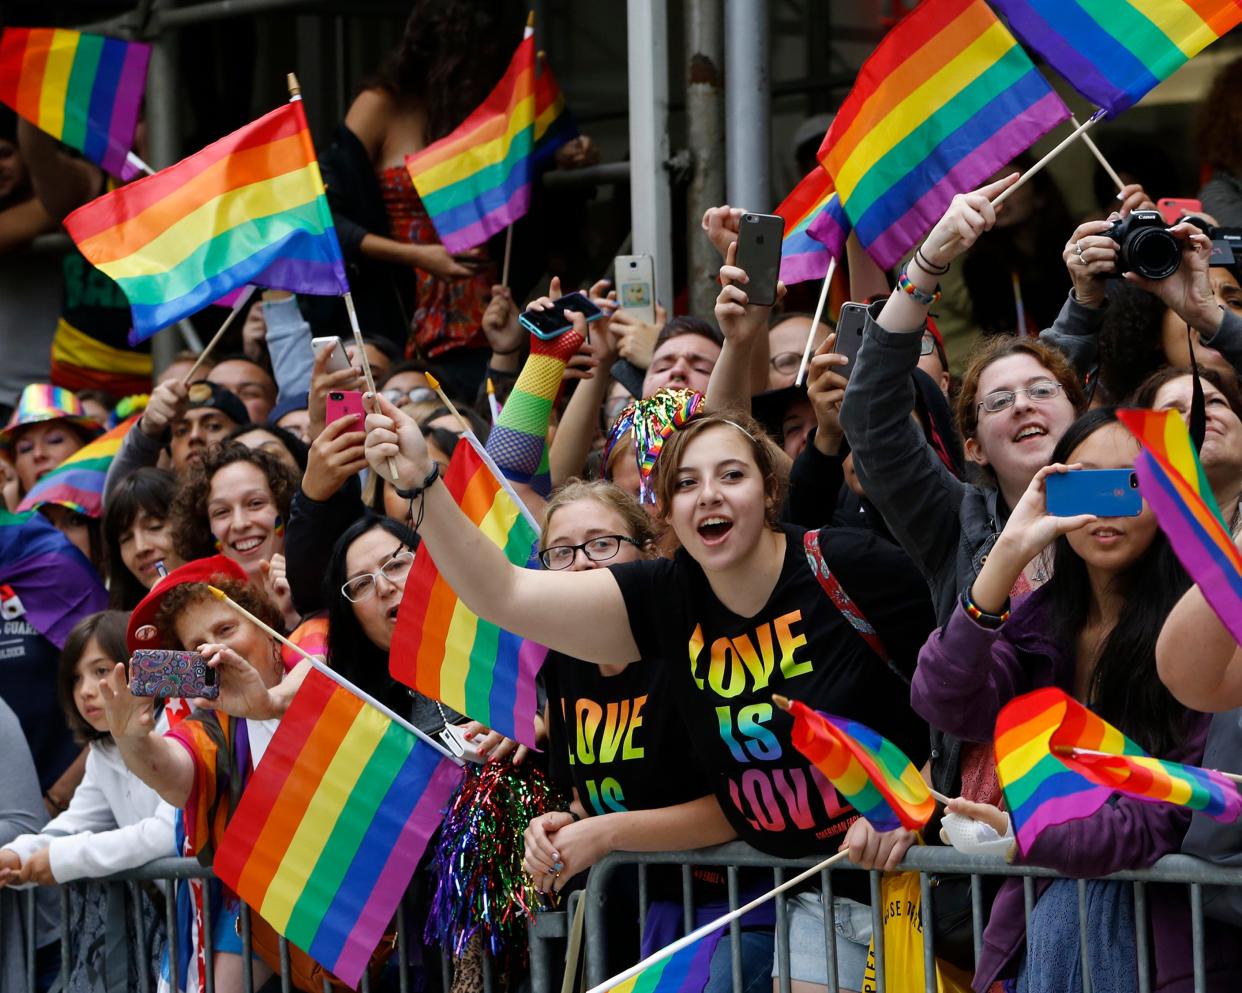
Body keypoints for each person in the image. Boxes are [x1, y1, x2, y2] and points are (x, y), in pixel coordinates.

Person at [363, 395, 936, 992]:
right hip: (813, 899)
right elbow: (502, 594)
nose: (708, 494)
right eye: (686, 483)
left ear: (768, 491)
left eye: (731, 475)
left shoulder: (844, 563)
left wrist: (908, 798)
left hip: (923, 877)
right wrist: (422, 483)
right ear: (667, 509)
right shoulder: (665, 596)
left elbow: (963, 685)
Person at [912, 408, 1237, 991]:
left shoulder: (1198, 637)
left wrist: (1030, 838)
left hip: (1166, 939)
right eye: (1084, 482)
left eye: (1128, 483)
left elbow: (1165, 816)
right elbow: (944, 700)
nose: (1106, 506)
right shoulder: (1043, 622)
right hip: (1042, 922)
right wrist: (1008, 551)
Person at [839, 177, 1088, 806]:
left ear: (1080, 413)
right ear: (973, 446)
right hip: (982, 844)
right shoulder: (954, 522)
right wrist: (927, 264)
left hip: (1119, 823)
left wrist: (1088, 298)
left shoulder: (1136, 507)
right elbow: (870, 414)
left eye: (1042, 392)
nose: (1024, 407)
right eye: (998, 402)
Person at [523, 479, 774, 993]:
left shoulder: (693, 646)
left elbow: (742, 804)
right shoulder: (562, 665)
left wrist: (606, 834)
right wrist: (558, 825)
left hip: (750, 907)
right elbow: (590, 798)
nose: (583, 564)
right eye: (562, 552)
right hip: (656, 915)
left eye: (601, 544)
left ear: (651, 552)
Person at [98, 556, 290, 993]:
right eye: (195, 646)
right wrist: (133, 741)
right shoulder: (211, 721)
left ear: (263, 622)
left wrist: (273, 704)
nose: (212, 652)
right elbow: (176, 774)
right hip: (261, 926)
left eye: (225, 631)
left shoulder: (314, 659)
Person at [0, 612, 173, 990]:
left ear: (140, 665)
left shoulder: (177, 726)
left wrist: (62, 860)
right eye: (76, 678)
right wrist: (16, 857)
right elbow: (71, 825)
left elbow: (167, 835)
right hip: (182, 925)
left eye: (100, 671)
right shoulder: (104, 751)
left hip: (227, 919)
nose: (86, 690)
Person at [169, 444, 299, 628]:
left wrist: (293, 618)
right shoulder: (200, 619)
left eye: (255, 503)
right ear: (205, 529)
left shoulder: (329, 585)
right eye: (221, 512)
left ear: (284, 508)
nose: (240, 523)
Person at [104, 380, 249, 500]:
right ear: (170, 457)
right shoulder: (162, 515)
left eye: (213, 426)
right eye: (181, 431)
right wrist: (148, 431)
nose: (194, 436)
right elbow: (119, 500)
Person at [0, 384, 102, 499]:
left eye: (55, 440)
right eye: (25, 448)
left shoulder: (121, 513)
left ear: (87, 448)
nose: (38, 454)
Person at [102, 467, 183, 609]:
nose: (140, 548)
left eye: (154, 527)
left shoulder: (229, 593)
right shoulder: (122, 628)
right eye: (126, 538)